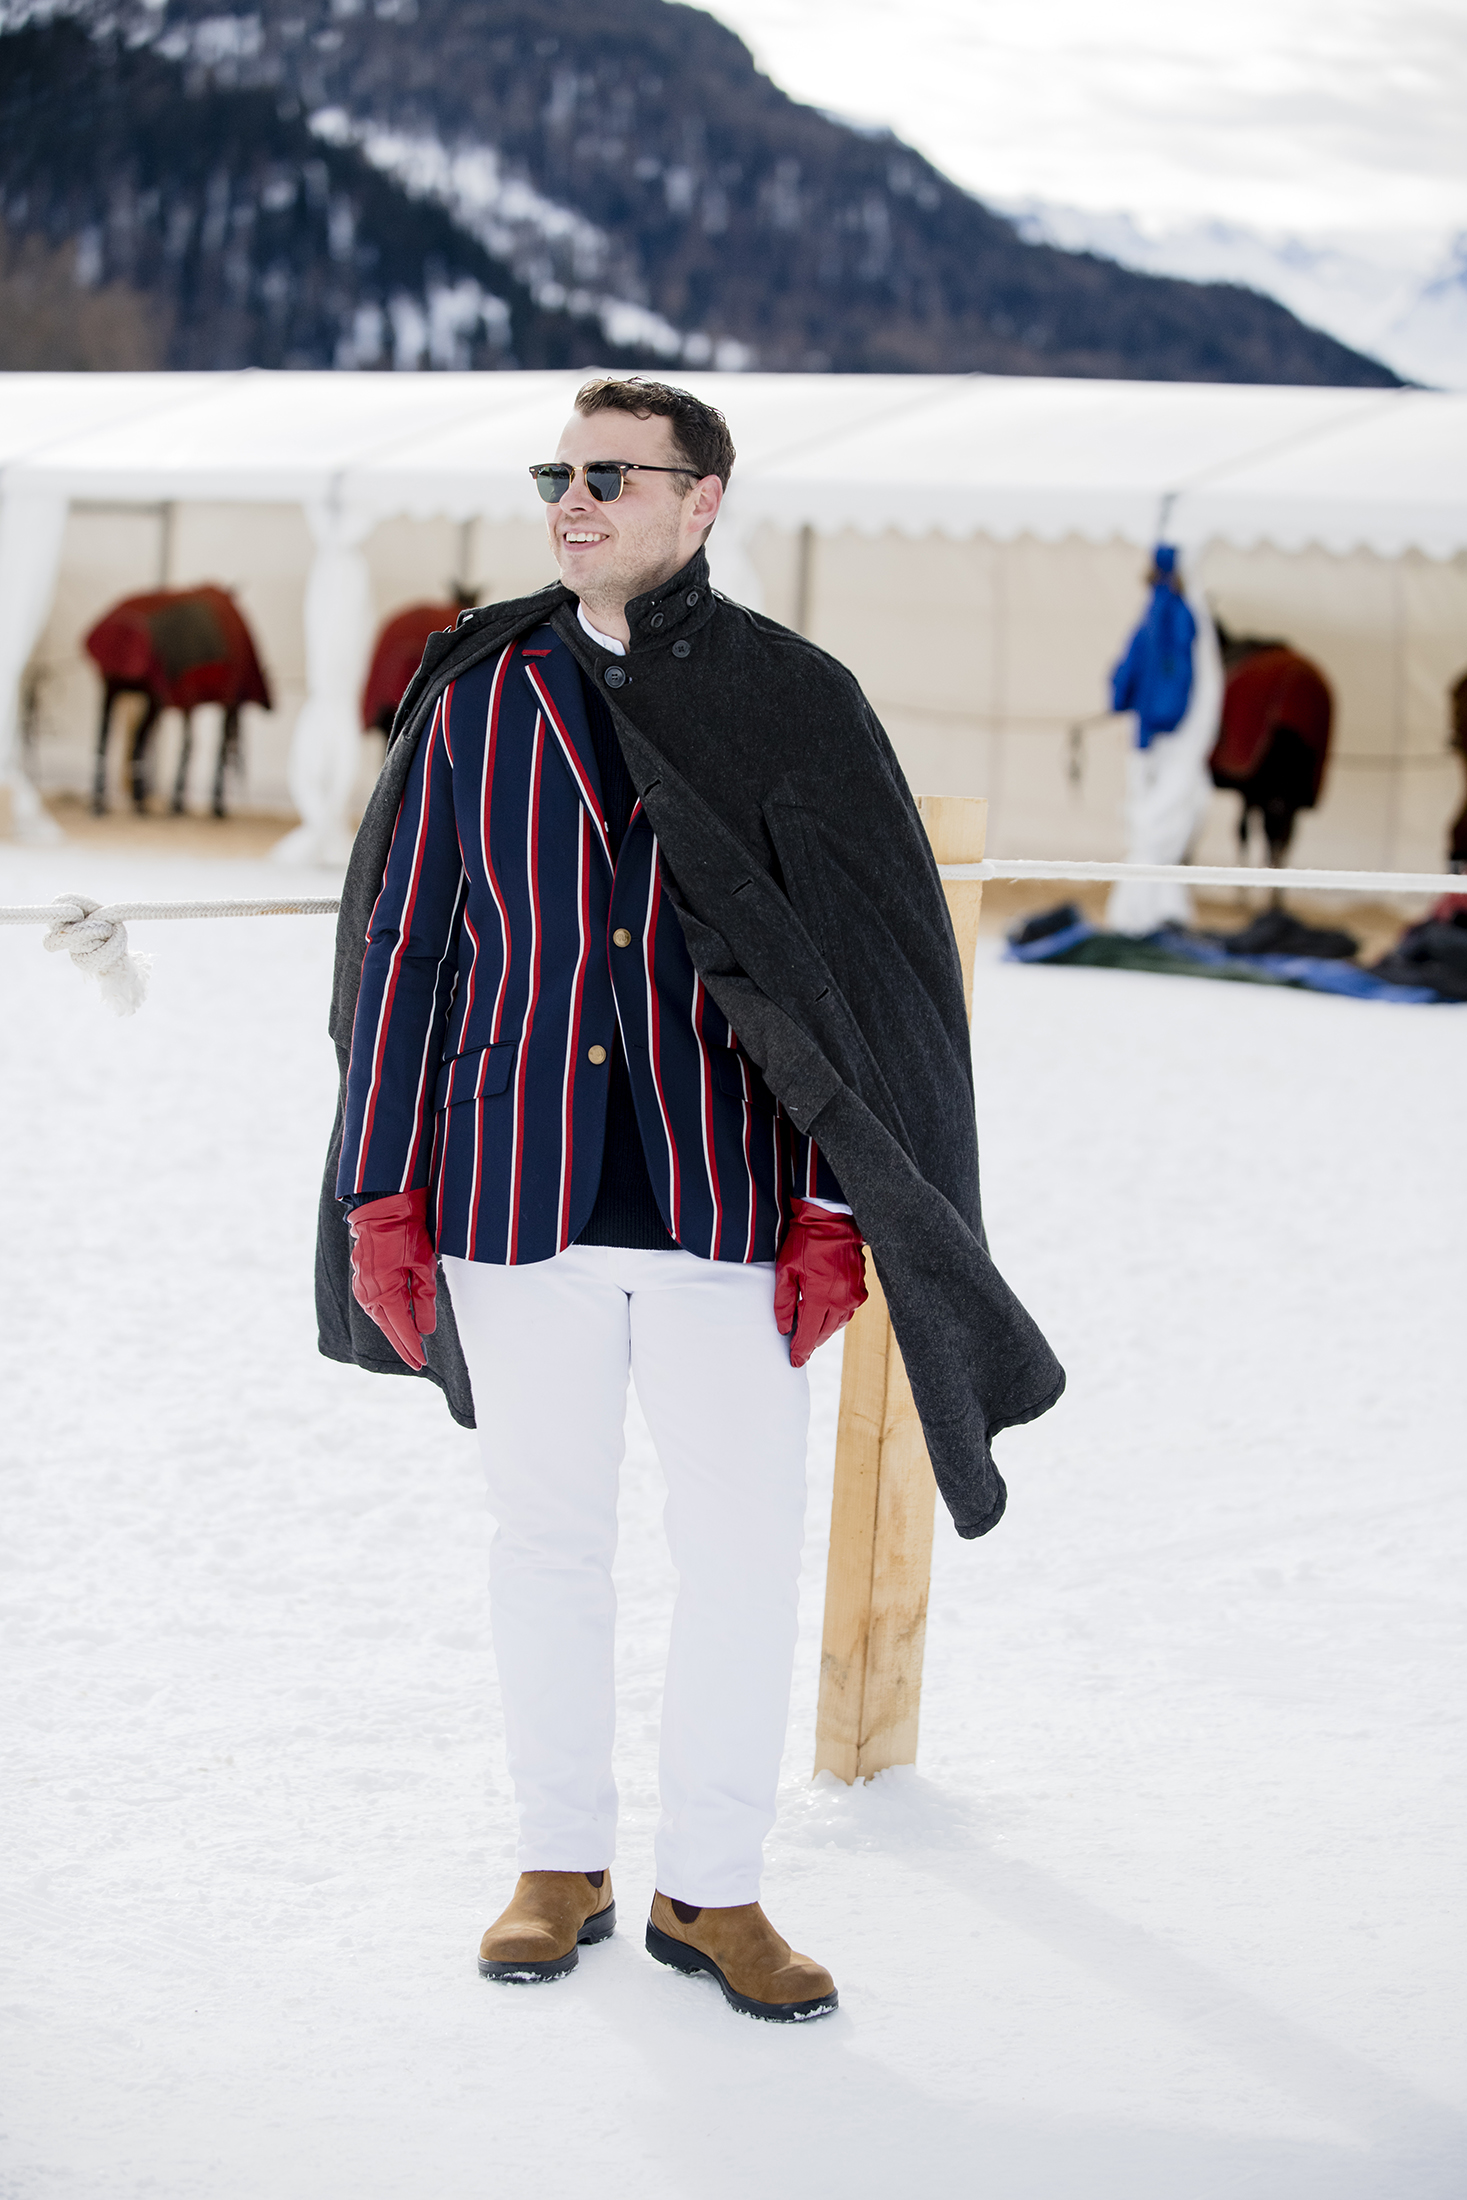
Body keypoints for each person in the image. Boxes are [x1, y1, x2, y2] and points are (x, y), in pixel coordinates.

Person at [316, 378, 1063, 2023]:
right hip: (512, 1192)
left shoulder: (795, 701)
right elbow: (404, 952)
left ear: (702, 500)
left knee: (736, 1554)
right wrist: (382, 1187)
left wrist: (831, 1205)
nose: (571, 501)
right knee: (547, 1543)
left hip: (727, 1201)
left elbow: (864, 980)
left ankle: (713, 1890)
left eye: (609, 475)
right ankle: (557, 1859)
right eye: (556, 475)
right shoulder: (475, 696)